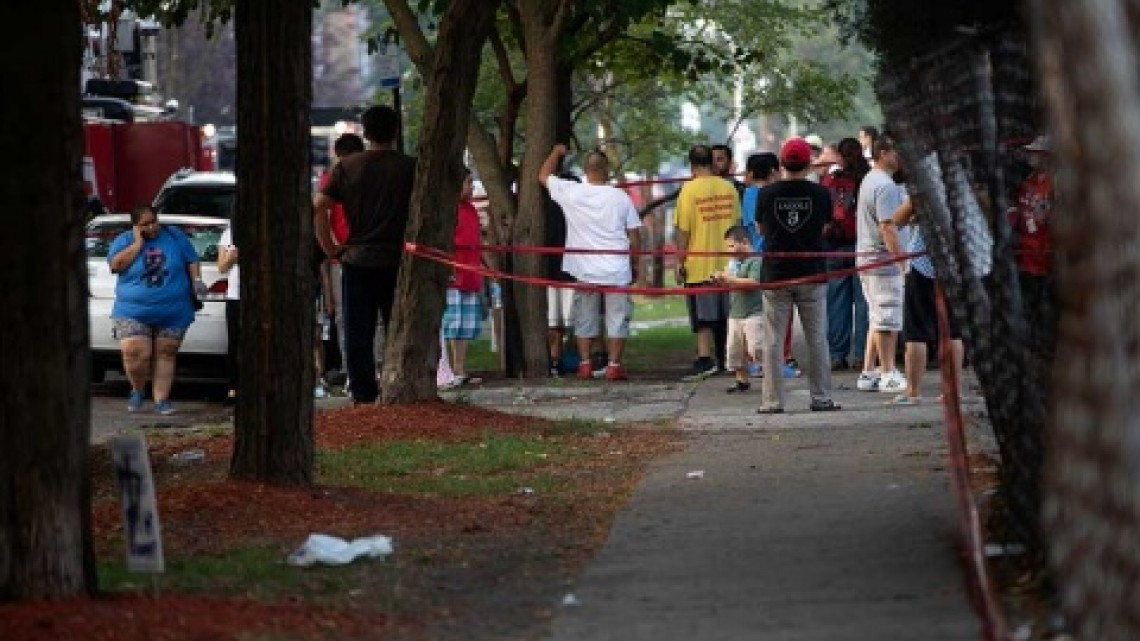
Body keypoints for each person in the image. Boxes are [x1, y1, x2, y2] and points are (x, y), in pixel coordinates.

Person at [314, 105, 416, 405]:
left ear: (366, 133)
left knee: (358, 332)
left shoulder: (347, 167)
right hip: (397, 259)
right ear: (395, 131)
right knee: (397, 328)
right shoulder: (409, 167)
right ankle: (397, 385)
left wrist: (331, 247)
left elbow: (319, 207)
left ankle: (362, 393)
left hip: (357, 258)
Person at [539, 144, 642, 381]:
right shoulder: (620, 197)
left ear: (585, 170)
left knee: (584, 316)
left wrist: (555, 152)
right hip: (616, 268)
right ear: (606, 170)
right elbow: (634, 235)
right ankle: (614, 366)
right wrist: (635, 263)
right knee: (618, 317)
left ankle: (585, 365)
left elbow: (543, 176)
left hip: (584, 269)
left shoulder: (572, 192)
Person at [754, 137, 840, 413]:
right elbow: (826, 227)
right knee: (817, 338)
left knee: (773, 341)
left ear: (781, 163)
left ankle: (772, 401)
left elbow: (760, 229)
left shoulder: (766, 194)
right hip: (811, 273)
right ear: (809, 163)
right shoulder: (821, 194)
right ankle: (822, 397)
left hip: (776, 274)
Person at [107, 205, 205, 415]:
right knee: (135, 353)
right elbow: (116, 266)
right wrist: (138, 243)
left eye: (154, 221)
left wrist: (197, 281)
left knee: (166, 353)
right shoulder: (123, 241)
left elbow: (192, 259)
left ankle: (162, 399)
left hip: (173, 308)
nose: (152, 227)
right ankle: (137, 390)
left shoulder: (174, 235)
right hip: (132, 310)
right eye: (145, 224)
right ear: (135, 226)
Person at [888, 198, 965, 404]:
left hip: (922, 263)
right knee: (953, 330)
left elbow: (893, 221)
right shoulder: (961, 187)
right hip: (954, 264)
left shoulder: (922, 187)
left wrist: (914, 215)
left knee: (916, 332)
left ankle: (913, 391)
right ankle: (952, 391)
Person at [676, 144, 741, 380]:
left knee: (702, 319)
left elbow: (683, 230)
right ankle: (728, 359)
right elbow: (737, 223)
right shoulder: (729, 188)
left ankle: (705, 359)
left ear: (691, 164)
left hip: (699, 263)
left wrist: (680, 260)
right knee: (728, 315)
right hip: (728, 262)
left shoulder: (688, 190)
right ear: (711, 163)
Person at [854, 135, 907, 394]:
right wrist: (901, 261)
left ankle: (869, 370)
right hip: (881, 259)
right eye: (898, 151)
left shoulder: (870, 179)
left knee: (877, 315)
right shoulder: (885, 185)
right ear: (884, 152)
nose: (901, 157)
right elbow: (887, 226)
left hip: (867, 257)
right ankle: (888, 372)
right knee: (887, 316)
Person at [318, 133, 367, 386]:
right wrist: (332, 248)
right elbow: (322, 213)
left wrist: (331, 248)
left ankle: (363, 369)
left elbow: (321, 214)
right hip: (346, 255)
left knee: (354, 316)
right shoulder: (334, 179)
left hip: (351, 253)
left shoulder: (338, 177)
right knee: (349, 316)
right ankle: (354, 370)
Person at [821, 137, 871, 371]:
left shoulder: (829, 181)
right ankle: (862, 354)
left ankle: (836, 354)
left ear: (840, 156)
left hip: (833, 247)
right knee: (863, 302)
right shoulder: (866, 180)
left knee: (836, 302)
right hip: (861, 246)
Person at [1008, 135, 1055, 365]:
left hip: (1047, 259)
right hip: (1026, 258)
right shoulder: (1029, 181)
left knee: (1048, 313)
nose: (1031, 157)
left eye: (1036, 153)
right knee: (1029, 312)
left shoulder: (1056, 184)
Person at [441, 169, 485, 387]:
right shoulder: (449, 211)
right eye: (468, 182)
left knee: (466, 325)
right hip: (455, 276)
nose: (472, 187)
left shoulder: (471, 210)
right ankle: (448, 369)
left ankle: (460, 367)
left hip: (471, 274)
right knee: (453, 323)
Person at [711, 225, 764, 393]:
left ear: (745, 242)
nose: (729, 250)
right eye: (728, 246)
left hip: (754, 312)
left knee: (757, 347)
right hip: (735, 313)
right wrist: (720, 279)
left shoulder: (756, 260)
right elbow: (730, 280)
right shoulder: (734, 263)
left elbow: (754, 282)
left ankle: (770, 375)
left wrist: (730, 279)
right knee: (735, 349)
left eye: (732, 245)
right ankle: (741, 379)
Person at [544, 171, 582, 377]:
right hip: (552, 272)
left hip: (570, 273)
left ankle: (567, 360)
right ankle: (555, 362)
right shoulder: (548, 208)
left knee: (568, 323)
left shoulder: (579, 211)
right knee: (554, 323)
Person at [217, 225, 240, 405]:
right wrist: (231, 258)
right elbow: (221, 267)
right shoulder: (229, 233)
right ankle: (233, 388)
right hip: (235, 296)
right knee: (235, 344)